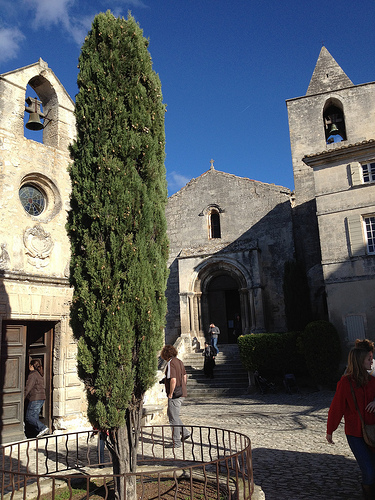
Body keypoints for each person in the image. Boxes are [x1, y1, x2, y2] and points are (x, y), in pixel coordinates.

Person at [327, 347, 375, 499]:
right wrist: (330, 430)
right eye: (369, 359)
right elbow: (336, 408)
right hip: (356, 434)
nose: (372, 361)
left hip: (373, 431)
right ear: (360, 362)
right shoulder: (346, 383)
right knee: (369, 471)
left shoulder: (373, 380)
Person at [160, 344, 190, 448]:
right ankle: (185, 432)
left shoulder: (170, 363)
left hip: (175, 394)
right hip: (182, 392)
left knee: (173, 418)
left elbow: (173, 379)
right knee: (172, 414)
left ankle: (176, 442)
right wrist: (183, 387)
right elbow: (185, 376)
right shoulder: (179, 361)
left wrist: (171, 393)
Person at [24, 358, 49, 438]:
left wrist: (22, 397)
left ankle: (42, 428)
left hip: (35, 398)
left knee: (29, 417)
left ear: (32, 366)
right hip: (41, 398)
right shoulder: (39, 374)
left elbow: (28, 387)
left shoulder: (33, 374)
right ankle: (35, 434)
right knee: (34, 416)